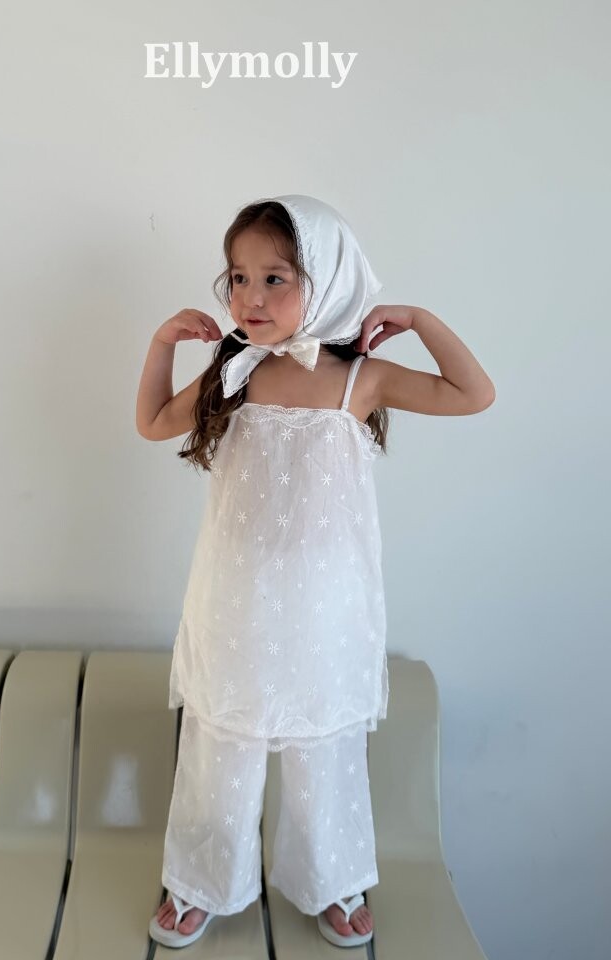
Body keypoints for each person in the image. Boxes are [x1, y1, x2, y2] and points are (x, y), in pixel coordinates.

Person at [136, 194, 495, 948]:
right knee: (222, 742)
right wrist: (163, 342)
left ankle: (331, 879)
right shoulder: (235, 373)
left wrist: (420, 319)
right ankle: (201, 878)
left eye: (276, 278)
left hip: (326, 609)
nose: (251, 296)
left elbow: (475, 394)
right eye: (238, 278)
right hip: (234, 600)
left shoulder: (363, 380)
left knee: (322, 748)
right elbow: (153, 422)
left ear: (328, 279)